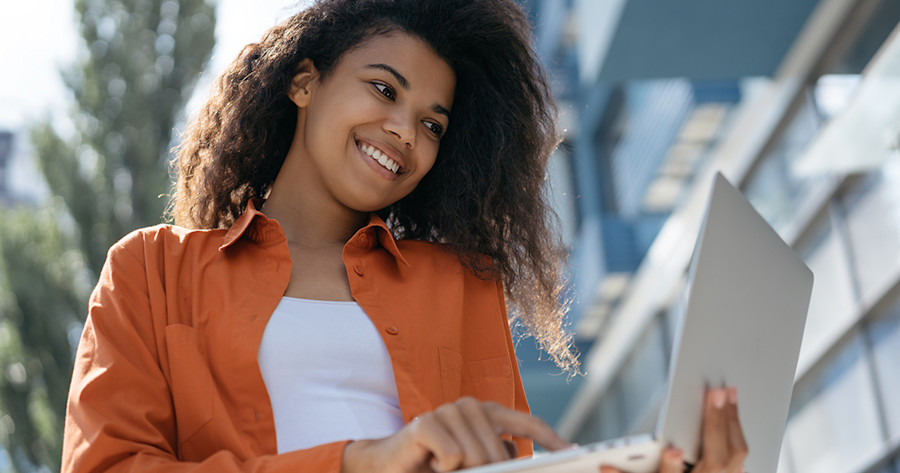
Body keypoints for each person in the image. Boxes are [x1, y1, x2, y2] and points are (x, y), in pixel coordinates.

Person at [61, 0, 747, 472]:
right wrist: (360, 460)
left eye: (432, 124)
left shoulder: (462, 284)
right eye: (384, 90)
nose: (404, 133)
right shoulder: (150, 273)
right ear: (305, 82)